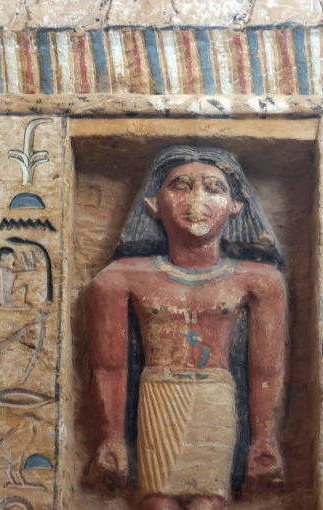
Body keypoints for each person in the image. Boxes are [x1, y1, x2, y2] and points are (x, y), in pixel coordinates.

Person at [86, 145, 287, 510]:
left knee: (208, 503)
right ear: (153, 204)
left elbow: (266, 370)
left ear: (235, 206)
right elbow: (109, 367)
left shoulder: (260, 280)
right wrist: (111, 437)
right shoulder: (118, 278)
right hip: (157, 396)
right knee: (156, 503)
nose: (197, 200)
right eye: (180, 186)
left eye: (214, 188)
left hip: (215, 398)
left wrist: (263, 439)